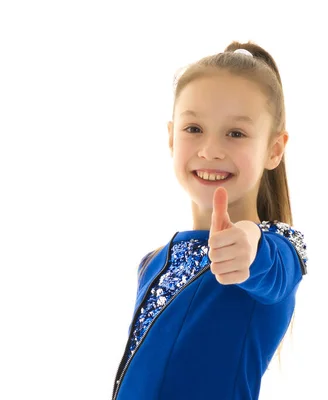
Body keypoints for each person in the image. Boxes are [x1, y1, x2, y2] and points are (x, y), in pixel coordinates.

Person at [111, 41, 308, 400]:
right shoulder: (153, 262)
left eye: (235, 133)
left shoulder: (277, 249)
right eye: (193, 128)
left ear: (274, 149)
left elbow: (270, 266)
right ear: (171, 136)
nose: (210, 150)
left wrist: (249, 243)